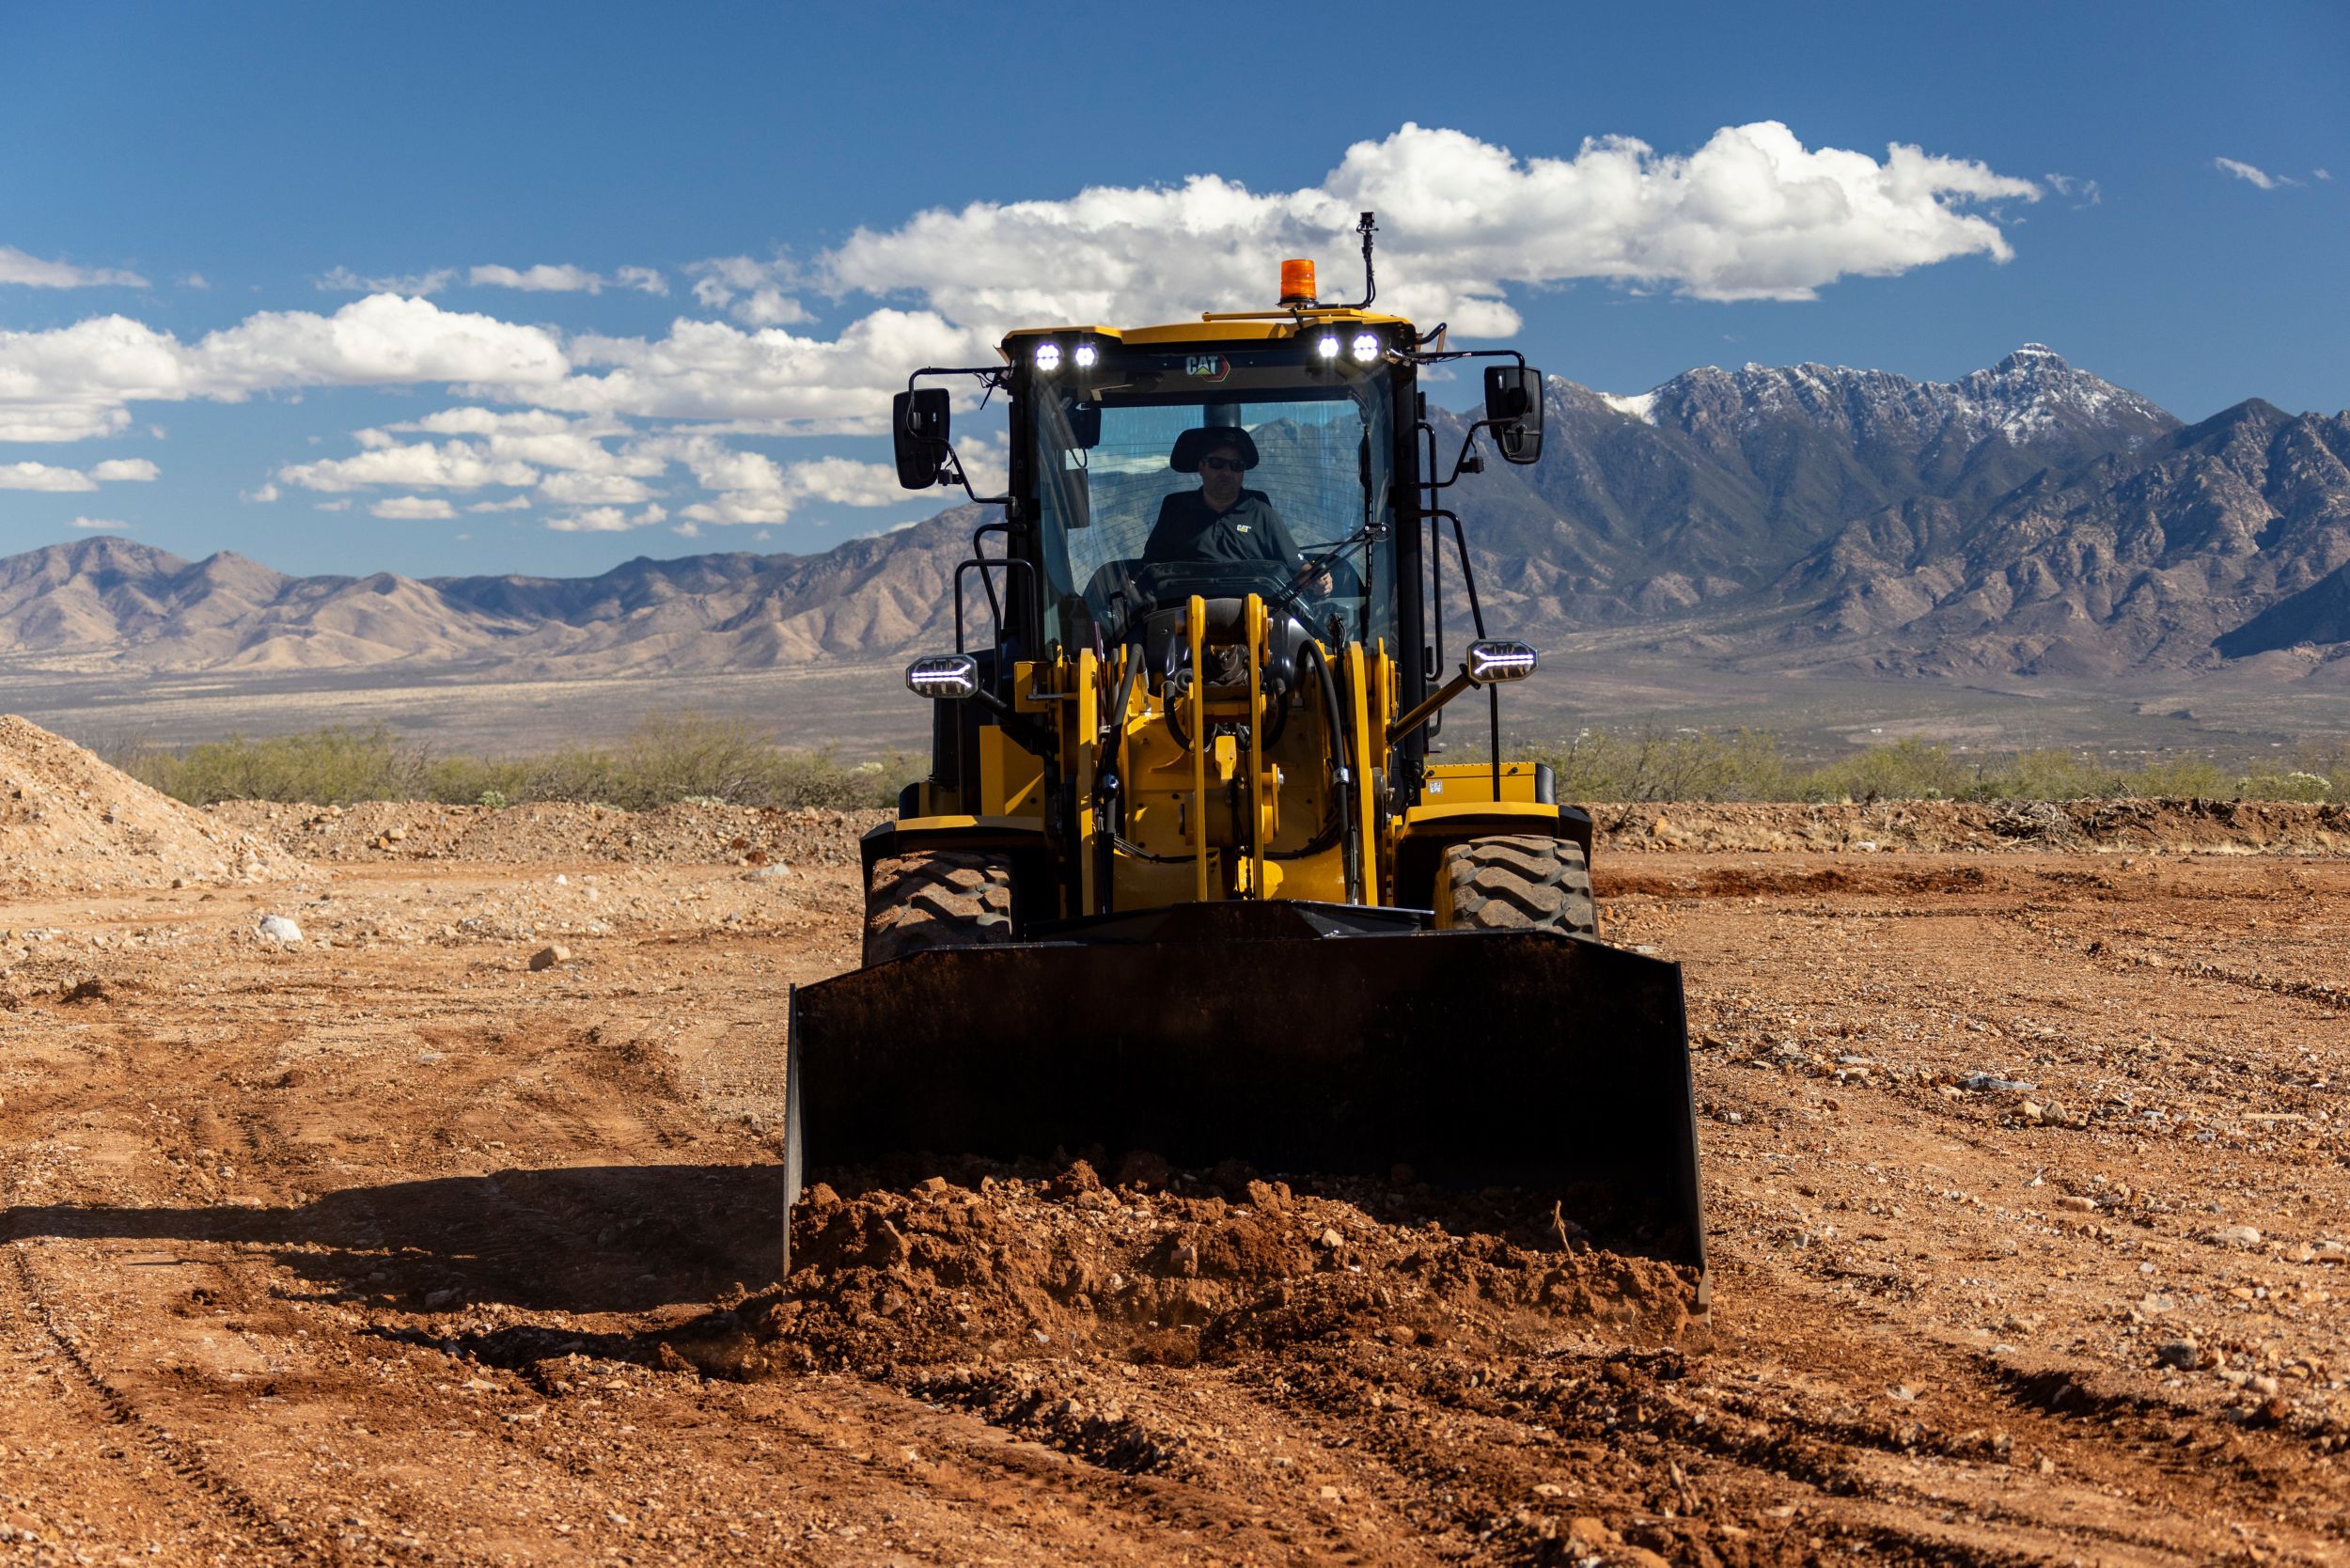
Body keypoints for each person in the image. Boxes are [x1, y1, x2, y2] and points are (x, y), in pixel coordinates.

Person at [1141, 428, 1327, 591]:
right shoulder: (1176, 514)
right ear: (1201, 466)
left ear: (1243, 472)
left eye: (1236, 466)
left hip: (1257, 621)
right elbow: (1148, 570)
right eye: (1217, 463)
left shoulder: (1263, 515)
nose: (1226, 472)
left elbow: (1297, 567)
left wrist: (1317, 580)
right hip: (1180, 620)